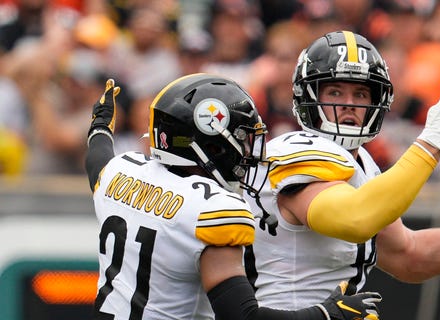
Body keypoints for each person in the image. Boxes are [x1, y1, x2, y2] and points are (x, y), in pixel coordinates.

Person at [243, 30, 440, 312]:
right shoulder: (294, 149)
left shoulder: (363, 164)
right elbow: (354, 219)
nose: (349, 103)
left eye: (360, 93)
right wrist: (430, 145)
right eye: (335, 92)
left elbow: (409, 256)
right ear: (309, 97)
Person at [84, 74, 383, 319]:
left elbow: (97, 158)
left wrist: (99, 126)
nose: (248, 151)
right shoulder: (212, 209)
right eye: (241, 138)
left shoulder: (121, 172)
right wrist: (325, 314)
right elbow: (243, 318)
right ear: (211, 144)